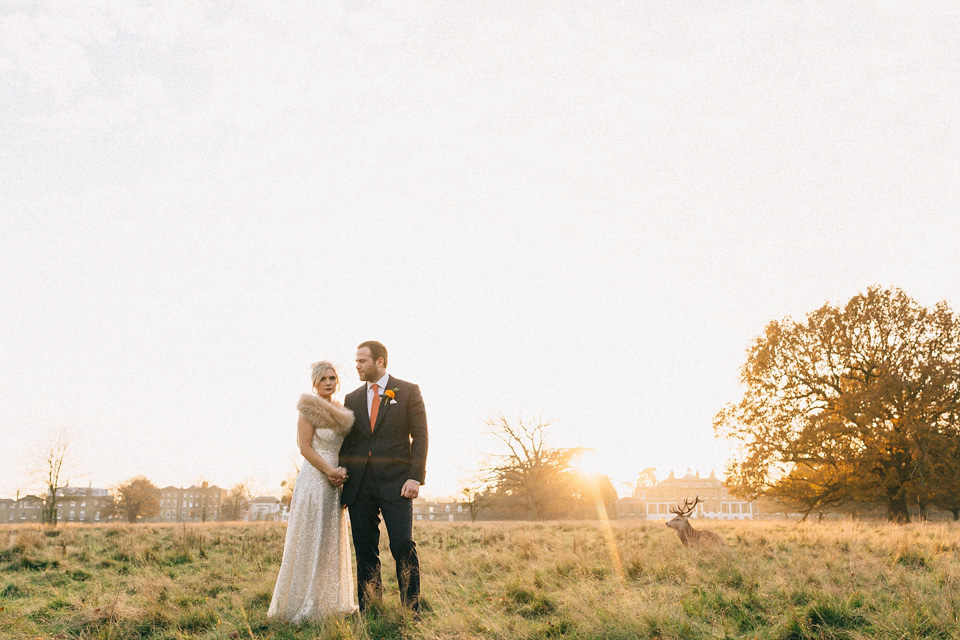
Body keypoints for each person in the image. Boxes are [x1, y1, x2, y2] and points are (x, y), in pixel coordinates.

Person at [337, 340, 428, 614]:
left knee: (402, 544)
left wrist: (415, 477)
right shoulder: (351, 399)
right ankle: (370, 610)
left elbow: (420, 436)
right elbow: (349, 442)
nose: (357, 366)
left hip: (398, 483)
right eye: (356, 361)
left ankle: (410, 610)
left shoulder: (408, 391)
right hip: (360, 485)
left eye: (362, 361)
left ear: (380, 361)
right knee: (365, 549)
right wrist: (342, 474)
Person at [267, 361, 358, 622]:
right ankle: (303, 601)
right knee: (310, 537)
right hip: (315, 478)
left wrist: (340, 473)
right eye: (322, 379)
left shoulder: (342, 410)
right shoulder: (307, 410)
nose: (328, 382)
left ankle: (329, 600)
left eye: (332, 378)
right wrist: (330, 470)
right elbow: (305, 449)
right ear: (314, 383)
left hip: (336, 483)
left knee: (329, 540)